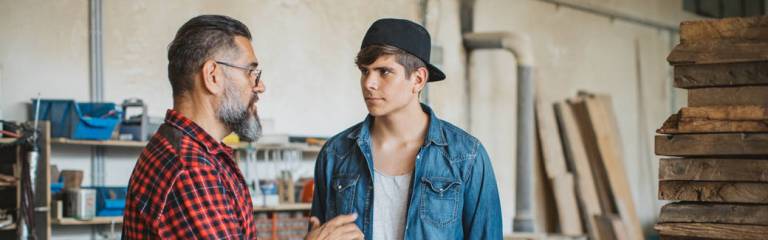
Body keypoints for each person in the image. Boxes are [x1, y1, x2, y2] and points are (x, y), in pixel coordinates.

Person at [122, 15, 362, 240]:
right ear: (213, 76)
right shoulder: (192, 170)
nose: (260, 86)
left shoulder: (187, 150)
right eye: (250, 72)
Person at [310, 18, 503, 240]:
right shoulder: (336, 153)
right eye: (365, 71)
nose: (368, 83)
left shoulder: (466, 157)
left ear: (418, 79)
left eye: (384, 72)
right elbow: (319, 232)